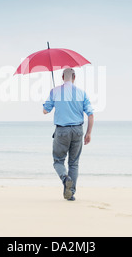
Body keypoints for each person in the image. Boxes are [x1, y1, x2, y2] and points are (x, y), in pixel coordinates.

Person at [43, 68, 94, 201]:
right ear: (74, 77)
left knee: (58, 161)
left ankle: (65, 178)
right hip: (78, 130)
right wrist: (88, 133)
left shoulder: (55, 91)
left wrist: (52, 99)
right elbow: (91, 114)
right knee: (74, 163)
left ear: (61, 77)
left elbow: (45, 111)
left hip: (62, 131)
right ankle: (70, 193)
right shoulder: (81, 93)